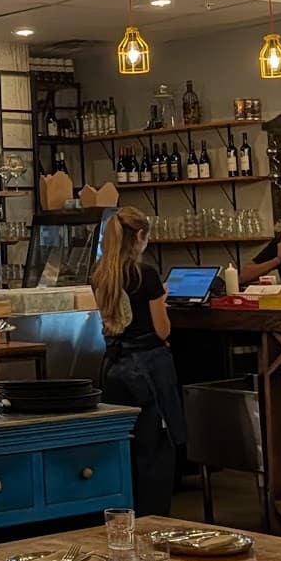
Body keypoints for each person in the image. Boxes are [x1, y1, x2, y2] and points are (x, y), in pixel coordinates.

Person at [92, 206, 185, 516]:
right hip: (146, 371)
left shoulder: (100, 274)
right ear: (141, 235)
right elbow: (162, 330)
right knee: (154, 447)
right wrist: (162, 300)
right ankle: (152, 517)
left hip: (114, 367)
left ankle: (123, 515)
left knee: (125, 444)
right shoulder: (146, 274)